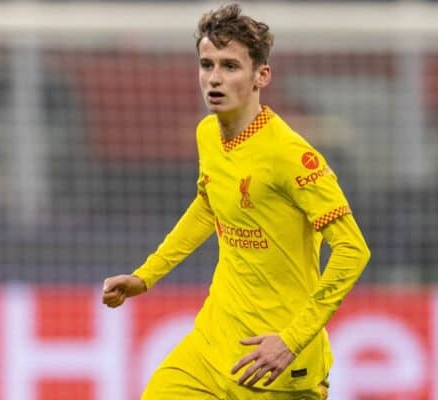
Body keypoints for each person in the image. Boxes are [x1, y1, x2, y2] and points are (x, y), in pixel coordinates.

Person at [102, 3, 370, 399]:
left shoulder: (291, 156)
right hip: (212, 347)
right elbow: (208, 204)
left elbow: (353, 250)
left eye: (230, 66)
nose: (214, 78)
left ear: (261, 75)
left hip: (277, 364)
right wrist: (147, 275)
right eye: (206, 64)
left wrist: (291, 340)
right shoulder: (207, 134)